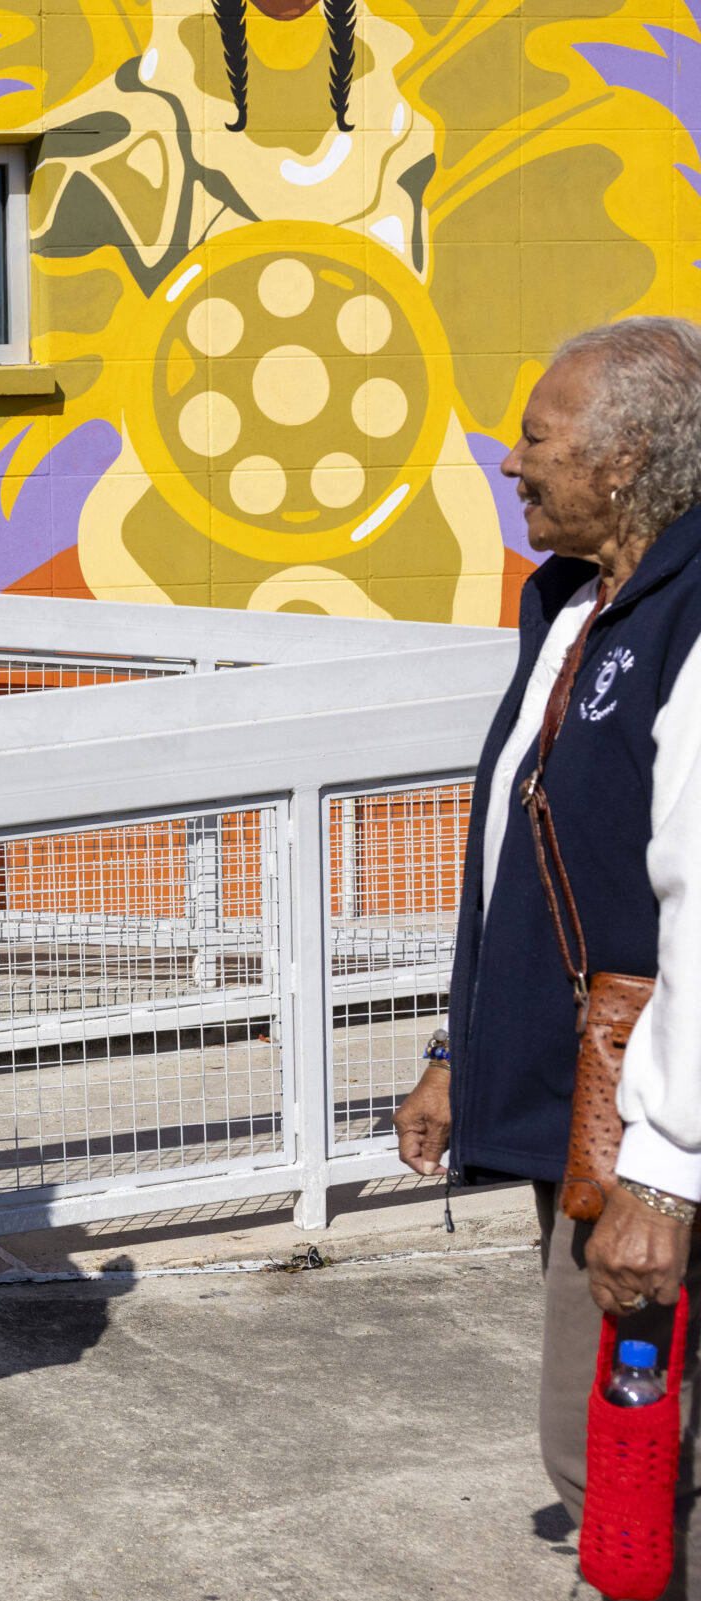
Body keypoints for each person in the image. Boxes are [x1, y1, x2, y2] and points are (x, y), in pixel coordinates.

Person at [393, 317, 701, 1586]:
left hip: (651, 1131)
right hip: (586, 1111)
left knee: (626, 1458)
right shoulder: (578, 607)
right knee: (615, 1450)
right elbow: (519, 862)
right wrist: (456, 1047)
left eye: (537, 435)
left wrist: (670, 1172)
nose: (513, 462)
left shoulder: (688, 623)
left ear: (625, 458)